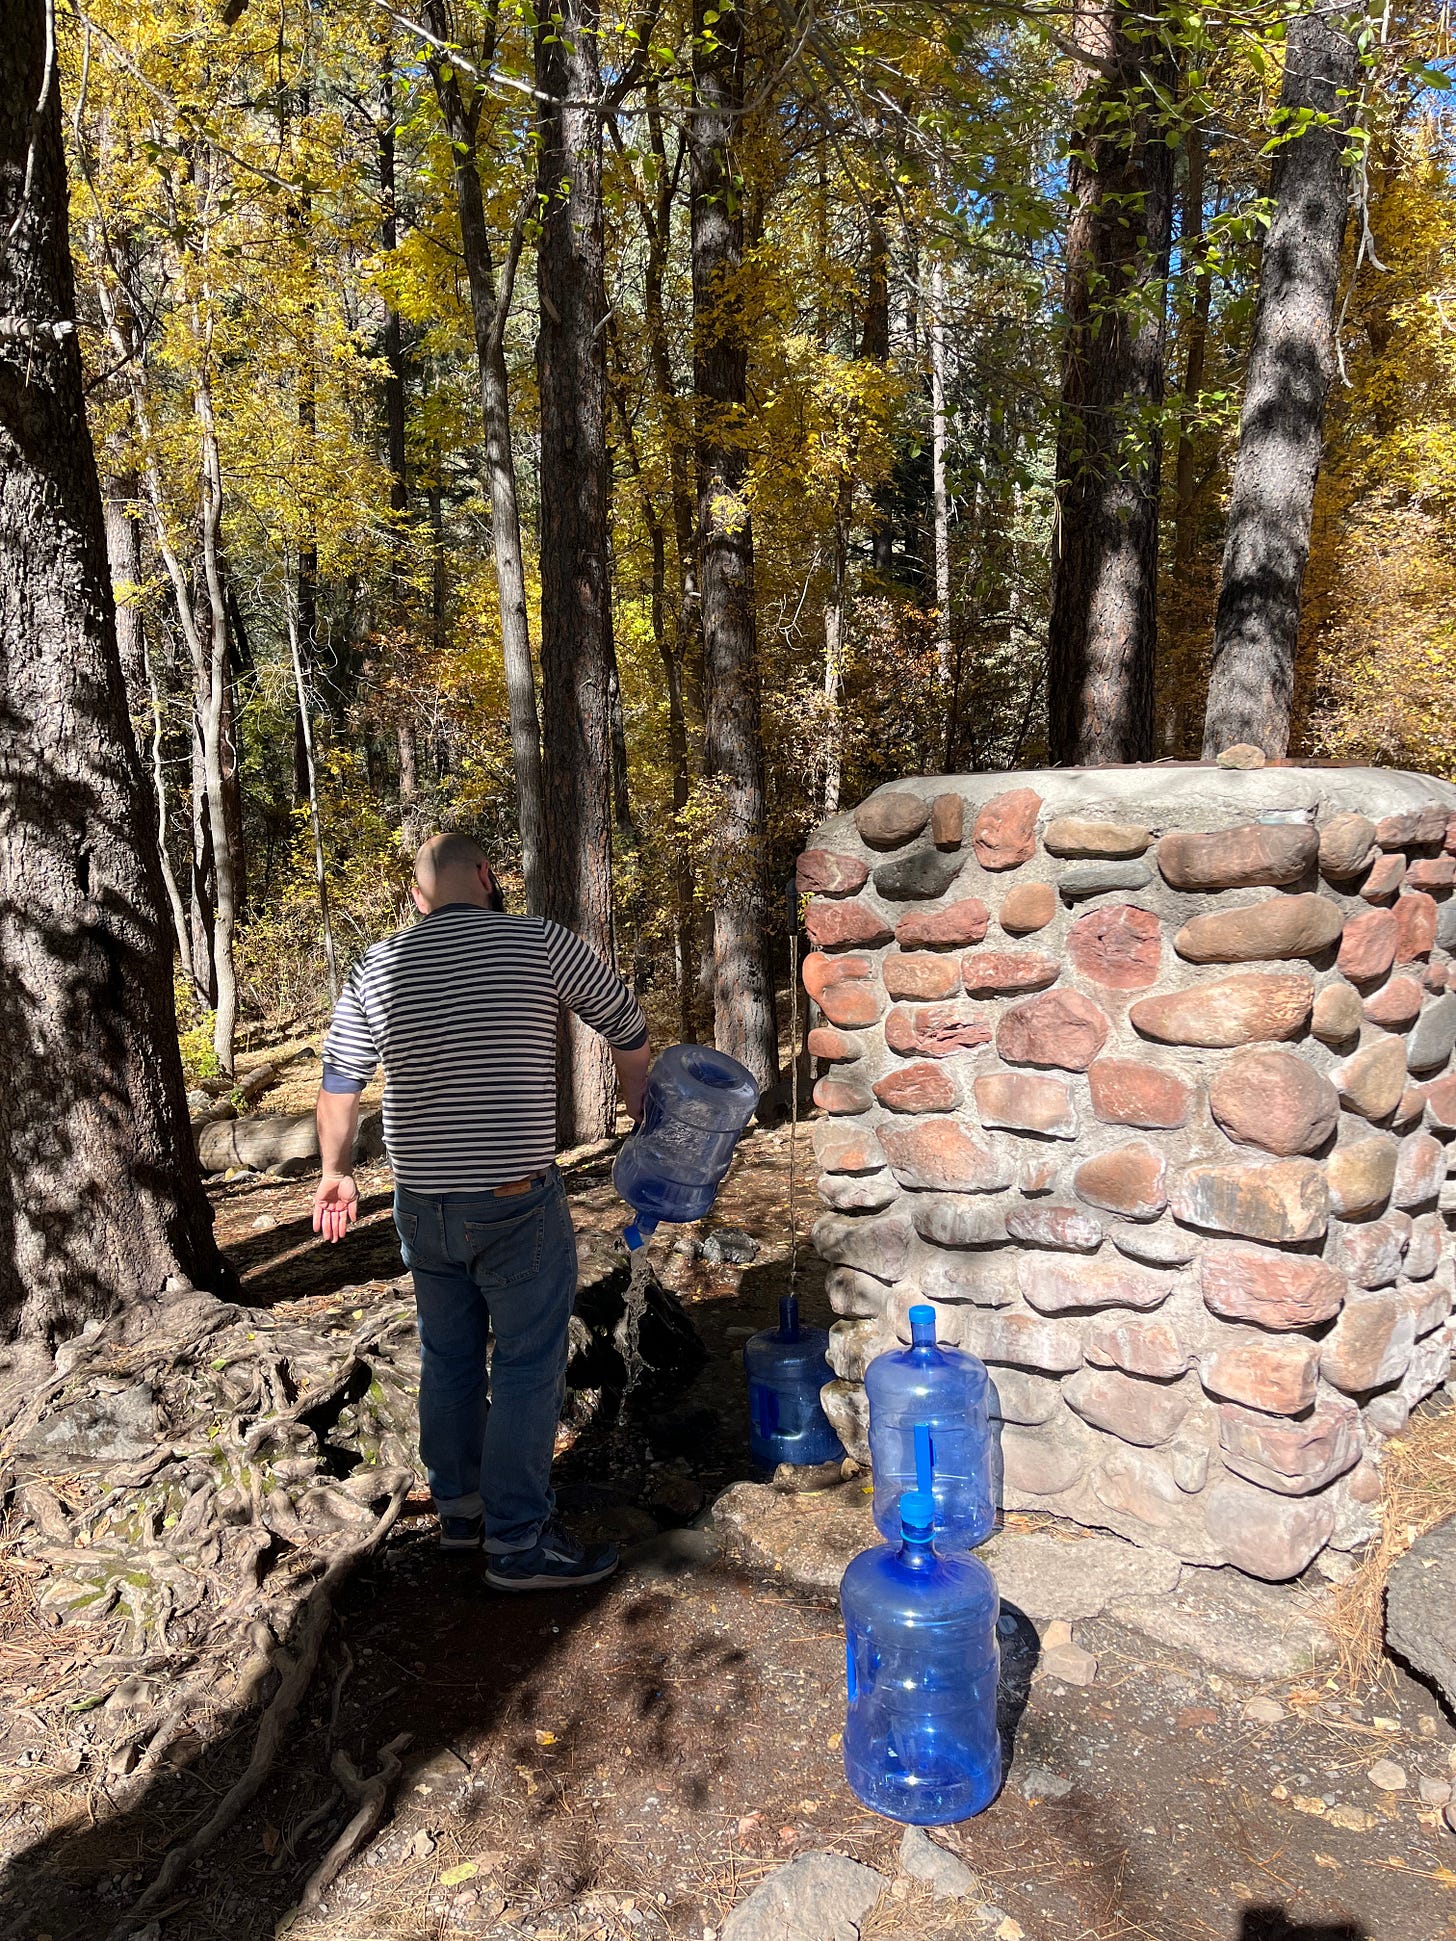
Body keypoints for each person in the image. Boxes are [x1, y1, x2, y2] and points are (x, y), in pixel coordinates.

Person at [311, 832, 650, 1590]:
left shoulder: (378, 963)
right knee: (528, 1364)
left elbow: (341, 1079)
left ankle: (461, 1513)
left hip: (421, 1204)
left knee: (450, 1353)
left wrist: (335, 1172)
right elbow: (626, 1021)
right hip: (514, 1201)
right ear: (489, 878)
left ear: (418, 898)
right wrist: (636, 1098)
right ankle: (519, 1541)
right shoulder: (538, 942)